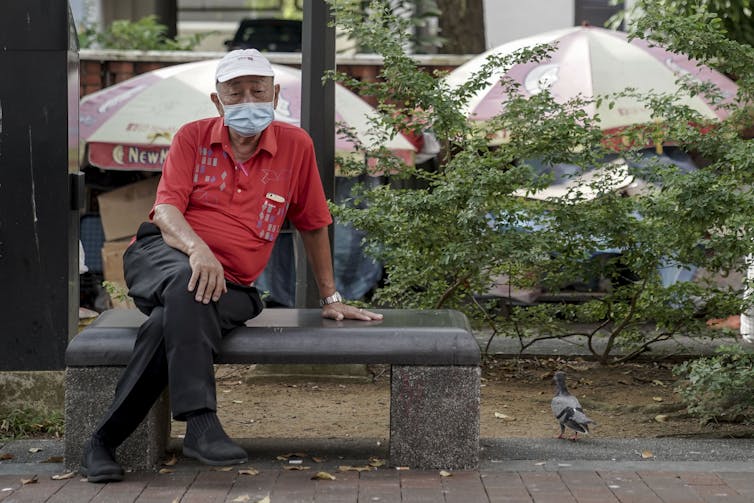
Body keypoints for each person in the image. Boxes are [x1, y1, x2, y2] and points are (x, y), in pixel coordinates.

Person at [81, 49, 383, 483]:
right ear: (217, 101)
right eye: (234, 92)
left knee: (167, 322)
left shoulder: (296, 147)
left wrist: (331, 297)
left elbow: (313, 224)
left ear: (275, 94)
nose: (247, 100)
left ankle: (102, 442)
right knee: (189, 281)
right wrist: (198, 250)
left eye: (257, 90)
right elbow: (165, 211)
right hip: (162, 256)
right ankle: (201, 421)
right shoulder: (193, 136)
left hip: (234, 285)